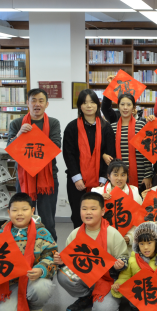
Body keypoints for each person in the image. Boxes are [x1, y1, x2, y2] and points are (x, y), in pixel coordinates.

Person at [54, 192, 129, 311]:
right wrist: (62, 261)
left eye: (93, 209)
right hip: (87, 276)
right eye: (84, 209)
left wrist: (120, 264)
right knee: (63, 275)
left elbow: (124, 258)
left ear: (102, 211)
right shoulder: (75, 234)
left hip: (109, 280)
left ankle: (109, 298)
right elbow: (71, 261)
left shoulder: (113, 234)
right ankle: (86, 296)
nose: (88, 212)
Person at [7, 88, 61, 241]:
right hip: (24, 178)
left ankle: (50, 251)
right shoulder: (17, 123)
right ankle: (25, 248)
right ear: (27, 103)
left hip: (47, 178)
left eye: (41, 101)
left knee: (47, 220)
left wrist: (35, 136)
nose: (37, 104)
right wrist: (19, 135)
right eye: (34, 100)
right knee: (23, 218)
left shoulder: (53, 123)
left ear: (46, 104)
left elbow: (56, 146)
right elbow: (10, 150)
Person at [63, 89, 115, 229]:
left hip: (100, 181)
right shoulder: (72, 127)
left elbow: (110, 155)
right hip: (76, 181)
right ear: (80, 106)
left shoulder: (106, 127)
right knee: (78, 216)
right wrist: (77, 178)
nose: (89, 106)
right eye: (84, 103)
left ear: (97, 105)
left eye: (92, 102)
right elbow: (68, 154)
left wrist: (103, 179)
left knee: (100, 216)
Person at [91, 160, 143, 247]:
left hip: (126, 239)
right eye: (115, 175)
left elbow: (140, 218)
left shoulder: (134, 191)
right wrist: (98, 201)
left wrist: (130, 237)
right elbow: (90, 216)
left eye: (123, 175)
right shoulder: (97, 192)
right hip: (102, 239)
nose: (119, 178)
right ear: (108, 176)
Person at [109, 93, 154, 191]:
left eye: (129, 105)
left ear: (133, 107)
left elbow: (147, 152)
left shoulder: (141, 125)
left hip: (141, 175)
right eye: (122, 104)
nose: (125, 108)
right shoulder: (112, 127)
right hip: (119, 176)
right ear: (118, 106)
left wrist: (148, 175)